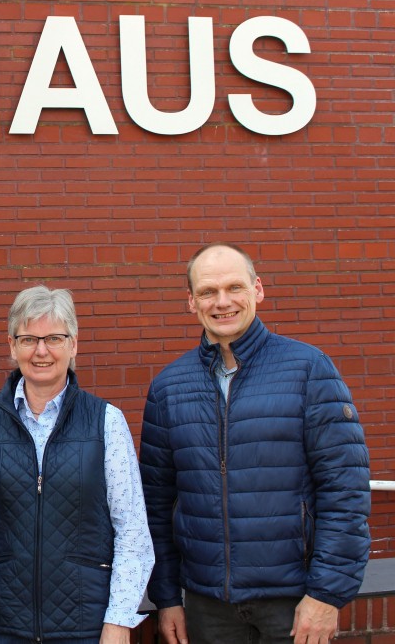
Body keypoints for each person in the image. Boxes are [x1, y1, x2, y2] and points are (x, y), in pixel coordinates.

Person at [139, 242, 371, 644]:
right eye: (209, 292)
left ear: (258, 289)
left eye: (235, 287)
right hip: (206, 604)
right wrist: (166, 597)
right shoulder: (168, 387)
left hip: (295, 603)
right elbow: (156, 505)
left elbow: (345, 491)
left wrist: (327, 594)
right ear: (191, 302)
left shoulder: (309, 370)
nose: (222, 302)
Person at [0, 285, 154, 644]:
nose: (41, 350)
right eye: (28, 339)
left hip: (86, 626)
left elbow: (131, 528)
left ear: (73, 344)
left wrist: (119, 620)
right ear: (12, 346)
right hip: (0, 625)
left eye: (54, 338)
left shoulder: (106, 421)